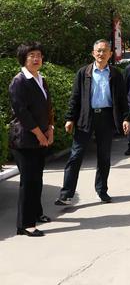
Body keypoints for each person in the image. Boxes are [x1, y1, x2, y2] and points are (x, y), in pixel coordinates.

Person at [55, 39, 130, 205]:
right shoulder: (83, 73)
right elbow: (75, 97)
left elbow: (122, 99)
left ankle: (102, 191)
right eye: (98, 51)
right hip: (85, 118)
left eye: (104, 51)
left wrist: (126, 118)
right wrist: (70, 118)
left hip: (106, 118)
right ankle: (66, 194)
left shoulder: (116, 74)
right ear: (93, 53)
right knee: (75, 155)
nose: (101, 54)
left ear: (110, 54)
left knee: (104, 157)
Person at [9, 43, 54, 237]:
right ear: (23, 59)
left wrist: (50, 129)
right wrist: (39, 133)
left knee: (37, 178)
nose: (36, 59)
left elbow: (48, 107)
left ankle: (36, 213)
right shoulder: (19, 81)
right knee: (28, 181)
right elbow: (22, 113)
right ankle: (25, 224)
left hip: (41, 136)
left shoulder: (40, 79)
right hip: (24, 139)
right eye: (32, 56)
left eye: (39, 55)